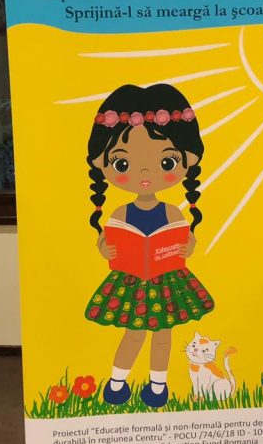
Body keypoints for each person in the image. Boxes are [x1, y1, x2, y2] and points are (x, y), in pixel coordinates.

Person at [85, 83, 215, 408]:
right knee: (133, 333)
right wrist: (106, 250)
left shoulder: (172, 212)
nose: (145, 172)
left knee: (163, 335)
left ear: (187, 159)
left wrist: (186, 247)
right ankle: (117, 382)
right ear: (102, 163)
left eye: (166, 163)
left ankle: (158, 386)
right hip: (131, 280)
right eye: (123, 164)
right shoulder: (120, 212)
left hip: (166, 279)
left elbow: (184, 240)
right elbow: (108, 242)